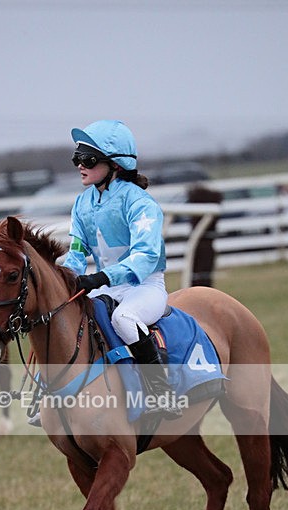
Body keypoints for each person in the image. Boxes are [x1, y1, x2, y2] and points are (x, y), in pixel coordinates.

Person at [63, 119, 182, 416]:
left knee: (124, 319)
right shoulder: (81, 203)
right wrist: (66, 278)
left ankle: (161, 392)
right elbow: (76, 251)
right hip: (106, 286)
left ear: (115, 164)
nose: (80, 165)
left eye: (88, 159)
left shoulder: (140, 202)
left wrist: (102, 276)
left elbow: (145, 255)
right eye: (77, 158)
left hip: (145, 286)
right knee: (63, 315)